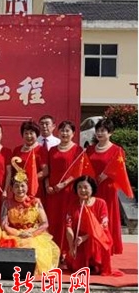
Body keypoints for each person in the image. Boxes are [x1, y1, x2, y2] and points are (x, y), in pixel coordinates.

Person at [0, 158, 60, 275]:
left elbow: (44, 223)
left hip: (33, 234)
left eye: (22, 186)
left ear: (27, 186)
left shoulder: (36, 202)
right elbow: (4, 224)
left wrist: (32, 233)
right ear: (12, 188)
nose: (20, 189)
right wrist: (18, 234)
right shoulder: (7, 203)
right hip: (14, 234)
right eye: (16, 186)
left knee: (32, 247)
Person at [86, 118, 127, 254]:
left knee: (106, 216)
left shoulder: (117, 150)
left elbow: (119, 169)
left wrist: (105, 175)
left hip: (107, 188)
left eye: (103, 130)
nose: (99, 133)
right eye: (98, 130)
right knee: (92, 215)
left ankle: (107, 246)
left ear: (110, 133)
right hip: (92, 188)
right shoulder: (90, 149)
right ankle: (92, 246)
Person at [65, 176, 118, 276]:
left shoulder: (101, 203)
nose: (82, 190)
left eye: (85, 187)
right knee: (77, 268)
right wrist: (72, 247)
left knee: (95, 268)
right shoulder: (73, 204)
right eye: (79, 187)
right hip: (79, 241)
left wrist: (85, 237)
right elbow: (68, 226)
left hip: (96, 238)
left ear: (92, 188)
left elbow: (103, 225)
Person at [45, 120, 83, 251]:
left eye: (67, 131)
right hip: (53, 192)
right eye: (62, 130)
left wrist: (63, 184)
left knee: (66, 220)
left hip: (69, 191)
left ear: (73, 133)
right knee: (52, 219)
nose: (64, 133)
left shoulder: (78, 150)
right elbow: (48, 171)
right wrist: (47, 185)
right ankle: (53, 250)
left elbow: (78, 171)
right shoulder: (52, 150)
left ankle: (67, 251)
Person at [12, 120, 48, 202]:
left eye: (31, 133)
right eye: (26, 133)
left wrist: (28, 180)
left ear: (37, 134)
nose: (28, 136)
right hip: (19, 190)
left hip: (34, 188)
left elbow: (45, 171)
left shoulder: (41, 150)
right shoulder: (17, 150)